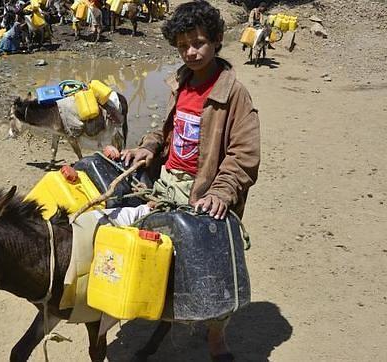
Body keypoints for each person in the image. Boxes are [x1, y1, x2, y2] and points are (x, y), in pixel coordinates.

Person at [112, 1, 260, 359]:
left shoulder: (233, 94)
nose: (190, 52)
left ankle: (215, 336)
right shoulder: (180, 83)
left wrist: (222, 192)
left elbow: (245, 153)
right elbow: (162, 131)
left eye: (198, 43)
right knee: (130, 231)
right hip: (166, 180)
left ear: (217, 40)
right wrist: (146, 149)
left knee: (211, 267)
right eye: (182, 46)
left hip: (203, 189)